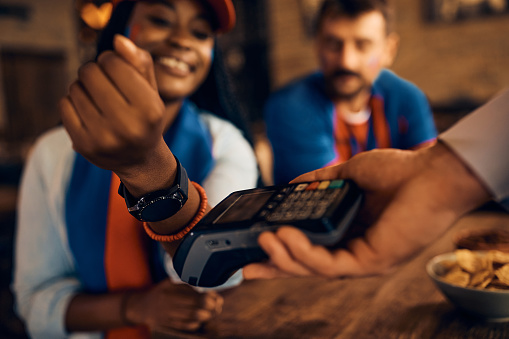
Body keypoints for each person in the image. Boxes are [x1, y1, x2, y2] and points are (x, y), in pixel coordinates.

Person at [12, 0, 259, 338]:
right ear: (120, 33)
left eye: (200, 33)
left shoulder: (227, 145)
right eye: (160, 20)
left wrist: (150, 168)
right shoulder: (52, 153)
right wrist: (137, 307)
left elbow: (220, 271)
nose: (183, 40)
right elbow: (36, 302)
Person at [243, 88, 509, 280]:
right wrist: (438, 170)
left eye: (362, 44)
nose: (347, 59)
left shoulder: (405, 96)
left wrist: (438, 172)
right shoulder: (293, 103)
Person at [265, 0, 437, 185]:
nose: (347, 62)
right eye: (333, 44)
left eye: (362, 45)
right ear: (318, 45)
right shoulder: (289, 106)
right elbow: (329, 197)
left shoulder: (409, 98)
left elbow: (431, 178)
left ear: (389, 50)